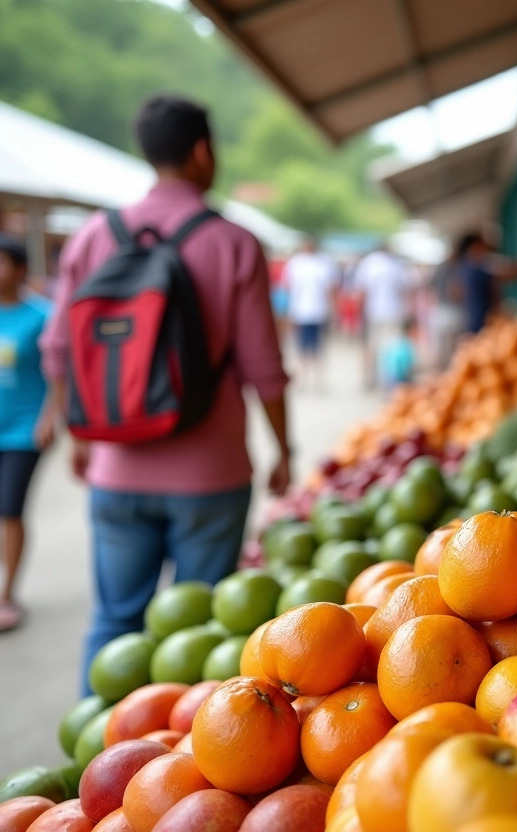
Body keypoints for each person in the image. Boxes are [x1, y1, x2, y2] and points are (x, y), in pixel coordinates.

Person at [39, 95, 291, 692]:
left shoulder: (94, 235)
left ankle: (90, 768)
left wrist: (83, 435)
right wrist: (286, 448)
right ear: (203, 152)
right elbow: (263, 367)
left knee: (114, 624)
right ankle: (172, 769)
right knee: (200, 629)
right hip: (211, 475)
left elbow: (57, 349)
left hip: (116, 467)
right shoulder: (234, 242)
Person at [0, 235, 55, 632]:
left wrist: (50, 419)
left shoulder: (42, 316)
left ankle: (7, 594)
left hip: (23, 432)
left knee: (10, 509)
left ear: (20, 269)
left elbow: (60, 374)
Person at [353, 243, 413, 388]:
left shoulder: (368, 264)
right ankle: (391, 379)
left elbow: (361, 291)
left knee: (373, 346)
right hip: (394, 313)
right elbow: (405, 290)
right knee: (392, 347)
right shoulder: (396, 265)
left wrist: (359, 314)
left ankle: (371, 378)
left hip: (373, 312)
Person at [282, 237, 338, 392]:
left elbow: (330, 289)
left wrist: (333, 312)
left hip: (318, 312)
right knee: (300, 348)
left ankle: (317, 380)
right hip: (299, 313)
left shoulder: (323, 263)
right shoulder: (295, 263)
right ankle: (302, 379)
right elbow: (287, 288)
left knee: (318, 348)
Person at [454, 232, 517, 334]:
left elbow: (457, 292)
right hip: (481, 322)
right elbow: (508, 274)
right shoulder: (476, 269)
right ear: (474, 246)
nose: (485, 249)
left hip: (473, 320)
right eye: (482, 245)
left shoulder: (465, 268)